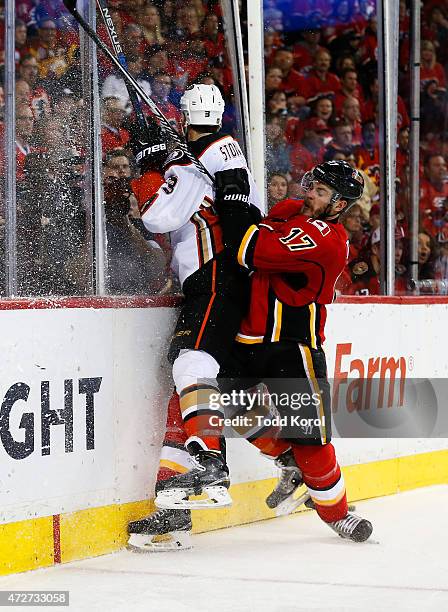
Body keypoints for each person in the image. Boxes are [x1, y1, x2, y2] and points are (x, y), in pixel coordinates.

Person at [127, 84, 262, 551]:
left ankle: (212, 467)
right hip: (218, 281)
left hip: (216, 280)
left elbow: (156, 218)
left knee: (191, 366)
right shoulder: (215, 156)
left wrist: (148, 166)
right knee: (182, 394)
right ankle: (175, 510)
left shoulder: (196, 163)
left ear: (185, 115)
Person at [213, 160, 373, 543]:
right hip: (249, 337)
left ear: (337, 206)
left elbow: (249, 250)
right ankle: (289, 463)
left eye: (320, 192)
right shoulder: (289, 212)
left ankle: (335, 512)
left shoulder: (326, 237)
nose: (309, 194)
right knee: (233, 407)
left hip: (293, 346)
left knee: (310, 437)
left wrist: (234, 204)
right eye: (312, 185)